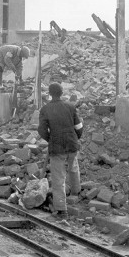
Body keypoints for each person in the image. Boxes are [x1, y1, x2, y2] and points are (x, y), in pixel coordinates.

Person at [38, 82, 83, 220]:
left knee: (58, 179)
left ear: (50, 94)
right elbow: (79, 127)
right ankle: (76, 193)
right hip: (71, 144)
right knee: (73, 167)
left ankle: (62, 210)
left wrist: (51, 139)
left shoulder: (45, 109)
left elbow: (41, 130)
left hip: (56, 147)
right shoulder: (70, 106)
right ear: (62, 93)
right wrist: (75, 138)